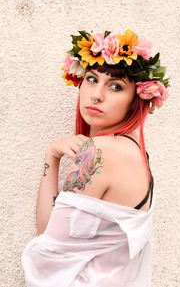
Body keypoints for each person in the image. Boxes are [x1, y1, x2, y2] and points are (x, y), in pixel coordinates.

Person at [21, 29, 170, 287]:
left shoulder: (98, 151)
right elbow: (53, 237)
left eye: (115, 86)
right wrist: (52, 155)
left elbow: (48, 253)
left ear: (137, 100)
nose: (96, 94)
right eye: (91, 79)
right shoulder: (138, 154)